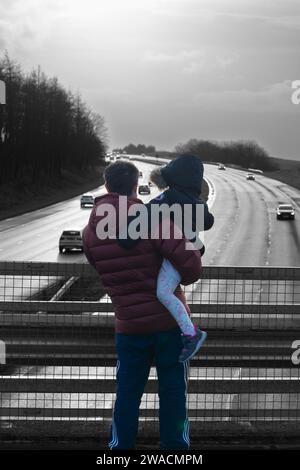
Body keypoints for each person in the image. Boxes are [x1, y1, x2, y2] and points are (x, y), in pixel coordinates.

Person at [83, 161, 202, 450]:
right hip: (169, 327)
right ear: (136, 185)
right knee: (174, 392)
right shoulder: (154, 218)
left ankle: (120, 450)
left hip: (129, 325)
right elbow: (192, 268)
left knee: (127, 393)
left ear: (107, 185)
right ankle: (174, 450)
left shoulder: (91, 230)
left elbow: (99, 266)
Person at [117, 154, 214, 362]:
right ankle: (188, 331)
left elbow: (143, 217)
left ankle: (191, 333)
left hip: (173, 256)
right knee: (170, 291)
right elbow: (208, 222)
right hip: (188, 253)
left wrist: (125, 237)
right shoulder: (197, 202)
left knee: (163, 292)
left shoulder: (167, 198)